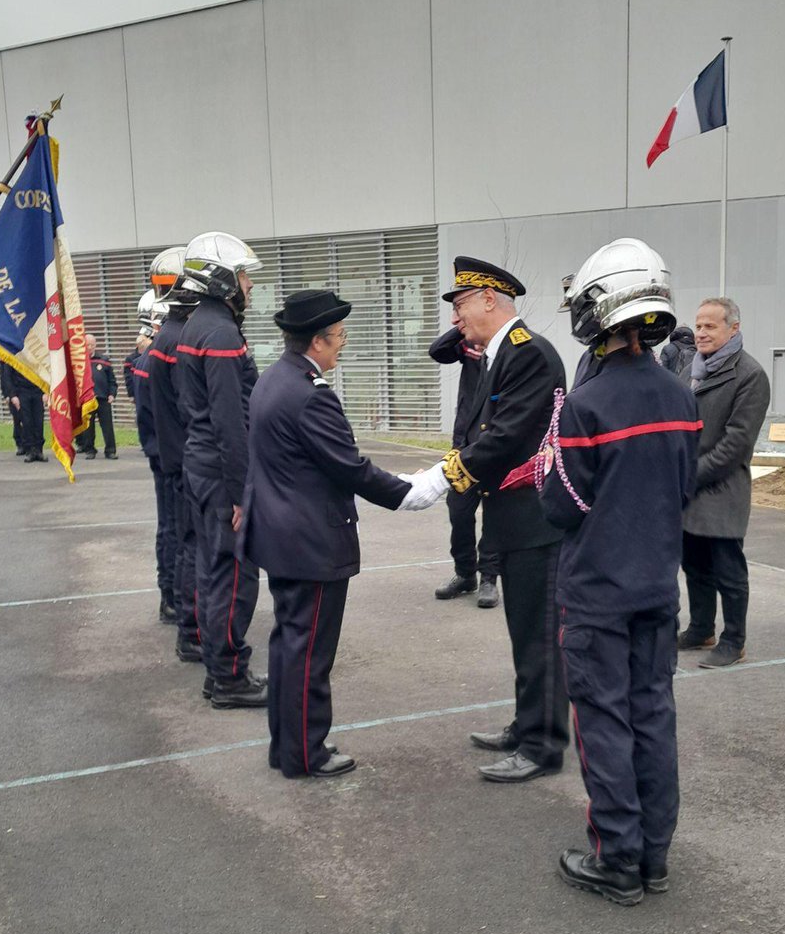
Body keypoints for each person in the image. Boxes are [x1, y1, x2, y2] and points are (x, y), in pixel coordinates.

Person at [539, 238, 701, 906]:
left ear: (597, 311)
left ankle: (618, 858)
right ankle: (655, 857)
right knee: (653, 717)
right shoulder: (679, 394)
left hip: (599, 594)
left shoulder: (587, 405)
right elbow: (684, 488)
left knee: (603, 722)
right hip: (658, 587)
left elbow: (560, 503)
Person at [241, 289, 430, 779]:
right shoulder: (310, 395)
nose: (343, 345)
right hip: (311, 542)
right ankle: (307, 753)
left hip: (281, 537)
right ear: (318, 342)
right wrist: (411, 492)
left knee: (288, 644)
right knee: (309, 654)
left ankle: (285, 746)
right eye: (340, 337)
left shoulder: (273, 379)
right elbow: (350, 468)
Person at [415, 256, 570, 783]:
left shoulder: (529, 355)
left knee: (540, 637)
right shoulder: (496, 354)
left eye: (460, 305)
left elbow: (502, 437)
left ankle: (543, 745)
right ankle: (528, 724)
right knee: (523, 632)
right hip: (513, 517)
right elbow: (487, 428)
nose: (455, 317)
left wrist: (443, 477)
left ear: (489, 299)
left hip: (535, 521)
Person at [178, 232, 266, 710]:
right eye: (244, 275)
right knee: (235, 576)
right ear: (224, 278)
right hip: (220, 468)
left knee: (214, 573)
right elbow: (231, 422)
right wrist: (240, 494)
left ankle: (219, 671)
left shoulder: (199, 324)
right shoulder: (221, 333)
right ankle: (230, 677)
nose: (249, 285)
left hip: (200, 461)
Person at [678, 297, 771, 668]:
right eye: (698, 326)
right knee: (694, 564)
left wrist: (687, 476)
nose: (701, 332)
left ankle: (735, 639)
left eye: (710, 326)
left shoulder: (750, 375)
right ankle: (701, 629)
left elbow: (736, 444)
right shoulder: (690, 370)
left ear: (734, 328)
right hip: (688, 487)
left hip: (722, 487)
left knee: (728, 570)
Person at [147, 248, 202, 661]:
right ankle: (184, 613)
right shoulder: (177, 338)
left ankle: (178, 603)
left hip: (172, 454)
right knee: (185, 539)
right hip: (182, 458)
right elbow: (189, 407)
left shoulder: (165, 337)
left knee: (178, 534)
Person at [428, 326, 500, 608]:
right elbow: (438, 351)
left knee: (494, 513)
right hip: (464, 445)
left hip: (495, 445)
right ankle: (465, 573)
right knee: (458, 510)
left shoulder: (507, 349)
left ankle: (489, 580)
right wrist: (462, 328)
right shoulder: (468, 343)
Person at [131, 294, 177, 626]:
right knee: (173, 527)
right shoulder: (153, 360)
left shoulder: (150, 358)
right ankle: (171, 595)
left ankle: (171, 593)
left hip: (161, 453)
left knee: (170, 526)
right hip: (166, 457)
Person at [78, 334, 118, 458]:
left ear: (95, 345)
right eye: (87, 345)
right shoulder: (79, 361)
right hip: (87, 399)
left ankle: (110, 451)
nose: (89, 347)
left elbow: (112, 380)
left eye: (91, 344)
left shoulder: (104, 360)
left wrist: (112, 394)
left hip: (103, 398)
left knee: (107, 426)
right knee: (88, 427)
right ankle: (90, 450)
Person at [4, 364, 47, 462]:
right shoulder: (15, 351)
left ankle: (39, 450)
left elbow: (45, 369)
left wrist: (46, 391)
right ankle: (30, 450)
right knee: (26, 422)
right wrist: (12, 395)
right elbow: (8, 376)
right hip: (22, 391)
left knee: (39, 421)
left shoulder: (35, 350)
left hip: (38, 390)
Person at [0, 362, 25, 455]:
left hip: (25, 390)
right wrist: (6, 394)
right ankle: (20, 444)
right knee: (17, 419)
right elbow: (4, 377)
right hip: (13, 392)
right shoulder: (6, 358)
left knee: (28, 419)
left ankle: (29, 443)